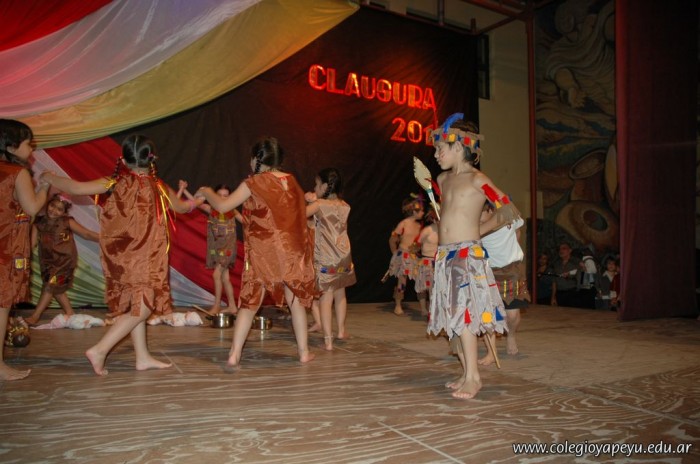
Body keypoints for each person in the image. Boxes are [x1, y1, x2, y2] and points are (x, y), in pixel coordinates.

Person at [41, 135, 202, 376]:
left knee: (138, 305)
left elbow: (76, 187)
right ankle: (100, 349)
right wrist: (198, 200)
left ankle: (142, 357)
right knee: (145, 307)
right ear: (152, 160)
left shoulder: (114, 182)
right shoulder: (158, 186)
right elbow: (182, 207)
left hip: (125, 257)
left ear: (123, 161)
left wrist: (49, 177)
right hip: (144, 258)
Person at [196, 136, 316, 370]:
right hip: (292, 249)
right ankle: (304, 352)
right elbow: (300, 213)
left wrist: (207, 191)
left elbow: (223, 206)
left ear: (256, 159)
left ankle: (234, 354)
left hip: (265, 251)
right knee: (295, 301)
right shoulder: (291, 180)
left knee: (251, 302)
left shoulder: (253, 182)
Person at [426, 114, 512, 400]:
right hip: (444, 256)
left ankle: (474, 378)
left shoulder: (478, 179)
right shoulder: (442, 179)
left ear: (459, 146)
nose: (436, 154)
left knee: (464, 315)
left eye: (441, 148)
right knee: (453, 315)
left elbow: (506, 208)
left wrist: (479, 230)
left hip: (466, 256)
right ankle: (465, 372)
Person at [0, 119, 50, 380]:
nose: (32, 149)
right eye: (28, 144)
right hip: (4, 250)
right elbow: (32, 208)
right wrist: (44, 188)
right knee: (2, 306)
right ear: (10, 147)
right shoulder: (16, 173)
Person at [24, 194, 99, 325]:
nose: (54, 210)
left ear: (64, 212)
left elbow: (86, 233)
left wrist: (105, 238)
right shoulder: (38, 222)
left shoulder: (66, 221)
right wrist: (23, 256)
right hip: (47, 261)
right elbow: (32, 244)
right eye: (52, 205)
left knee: (50, 286)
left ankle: (35, 316)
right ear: (48, 204)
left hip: (64, 261)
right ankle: (70, 312)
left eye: (59, 209)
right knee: (56, 289)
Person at [305, 168, 356, 351]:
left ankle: (328, 340)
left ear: (325, 186)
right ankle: (341, 330)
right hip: (343, 255)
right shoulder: (345, 205)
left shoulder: (319, 204)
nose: (314, 188)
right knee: (340, 293)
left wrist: (308, 200)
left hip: (326, 256)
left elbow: (299, 214)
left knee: (325, 298)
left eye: (317, 184)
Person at [178, 180, 241, 315]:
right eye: (219, 195)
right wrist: (184, 189)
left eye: (226, 196)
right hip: (217, 248)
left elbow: (245, 221)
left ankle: (216, 306)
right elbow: (195, 202)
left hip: (228, 249)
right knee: (225, 278)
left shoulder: (232, 210)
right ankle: (232, 306)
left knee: (216, 275)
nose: (222, 198)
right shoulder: (211, 209)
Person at [478, 201, 530, 362]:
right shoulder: (475, 228)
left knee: (512, 315)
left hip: (512, 271)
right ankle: (491, 351)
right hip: (489, 272)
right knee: (488, 314)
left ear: (489, 209)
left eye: (479, 213)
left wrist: (512, 251)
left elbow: (518, 231)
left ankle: (511, 335)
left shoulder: (507, 216)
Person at [385, 196, 424, 316]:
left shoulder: (419, 226)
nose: (423, 213)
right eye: (421, 210)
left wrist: (417, 248)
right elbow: (392, 240)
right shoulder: (403, 224)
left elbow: (419, 243)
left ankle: (423, 307)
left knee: (420, 280)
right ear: (413, 211)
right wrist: (395, 254)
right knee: (402, 280)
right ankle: (398, 305)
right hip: (403, 255)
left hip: (414, 256)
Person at [415, 208, 439, 317]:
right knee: (422, 286)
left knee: (435, 287)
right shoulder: (427, 230)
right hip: (425, 261)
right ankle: (423, 309)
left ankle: (433, 309)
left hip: (438, 262)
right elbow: (416, 244)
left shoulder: (444, 230)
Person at [549, 242, 580, 307]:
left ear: (570, 250)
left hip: (573, 293)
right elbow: (554, 282)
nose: (561, 251)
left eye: (564, 248)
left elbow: (581, 276)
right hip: (559, 294)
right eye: (560, 249)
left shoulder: (576, 262)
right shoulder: (556, 264)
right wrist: (553, 297)